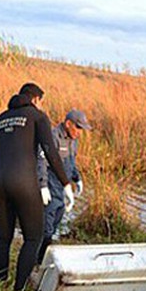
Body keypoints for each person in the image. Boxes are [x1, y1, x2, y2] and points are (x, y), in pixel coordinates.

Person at [0, 83, 75, 291]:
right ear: (35, 99)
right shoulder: (38, 117)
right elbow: (50, 151)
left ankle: (0, 282)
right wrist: (66, 183)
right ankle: (18, 290)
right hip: (23, 180)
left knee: (3, 237)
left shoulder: (0, 119)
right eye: (40, 101)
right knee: (34, 236)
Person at [36, 109, 92, 264]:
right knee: (45, 229)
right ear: (68, 124)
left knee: (54, 227)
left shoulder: (74, 140)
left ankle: (42, 259)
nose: (80, 132)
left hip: (62, 191)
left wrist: (77, 178)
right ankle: (36, 262)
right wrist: (42, 185)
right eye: (78, 127)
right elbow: (41, 162)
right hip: (50, 189)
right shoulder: (53, 137)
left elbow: (71, 163)